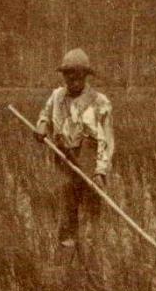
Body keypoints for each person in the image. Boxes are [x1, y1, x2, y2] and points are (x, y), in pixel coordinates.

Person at [34, 48, 114, 257]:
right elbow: (45, 114)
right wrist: (42, 124)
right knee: (67, 211)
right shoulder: (56, 96)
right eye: (69, 74)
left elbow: (106, 140)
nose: (73, 79)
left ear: (86, 76)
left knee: (90, 213)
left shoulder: (99, 102)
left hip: (89, 160)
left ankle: (89, 261)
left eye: (78, 74)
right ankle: (67, 260)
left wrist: (101, 171)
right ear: (64, 75)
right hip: (64, 160)